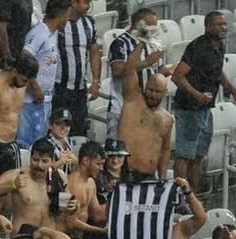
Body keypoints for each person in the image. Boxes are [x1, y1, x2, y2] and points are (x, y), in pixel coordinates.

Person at [172, 12, 236, 190]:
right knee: (184, 155)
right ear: (208, 27)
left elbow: (217, 71)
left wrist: (232, 90)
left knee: (199, 156)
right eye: (219, 25)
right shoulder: (197, 47)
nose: (223, 28)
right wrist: (197, 95)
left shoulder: (219, 46)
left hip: (205, 109)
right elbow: (177, 76)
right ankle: (179, 197)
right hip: (189, 108)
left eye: (224, 24)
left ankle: (192, 196)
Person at [116, 35, 174, 181]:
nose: (152, 95)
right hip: (124, 174)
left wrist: (161, 179)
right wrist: (142, 41)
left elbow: (165, 151)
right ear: (145, 87)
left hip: (149, 177)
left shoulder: (167, 119)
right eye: (150, 90)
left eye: (157, 92)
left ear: (165, 93)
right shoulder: (133, 100)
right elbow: (129, 69)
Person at [18, 0, 74, 148]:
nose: (68, 20)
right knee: (26, 146)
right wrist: (35, 86)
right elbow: (24, 57)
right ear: (61, 14)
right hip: (30, 100)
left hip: (44, 100)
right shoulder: (39, 32)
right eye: (67, 15)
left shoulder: (52, 33)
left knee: (39, 145)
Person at [0, 54, 40, 183]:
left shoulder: (22, 83)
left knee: (11, 193)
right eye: (23, 80)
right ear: (15, 71)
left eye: (28, 81)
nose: (25, 84)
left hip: (11, 145)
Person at [107, 8, 166, 139]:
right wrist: (145, 62)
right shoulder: (120, 43)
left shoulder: (154, 44)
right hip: (122, 108)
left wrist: (170, 70)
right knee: (118, 155)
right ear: (140, 25)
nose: (155, 29)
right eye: (152, 26)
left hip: (146, 109)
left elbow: (158, 70)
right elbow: (117, 71)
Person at [53, 0, 100, 137]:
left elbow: (94, 51)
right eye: (86, 2)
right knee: (59, 132)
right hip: (59, 89)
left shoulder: (89, 22)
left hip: (80, 90)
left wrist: (96, 81)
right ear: (73, 2)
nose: (89, 6)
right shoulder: (56, 22)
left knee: (80, 132)